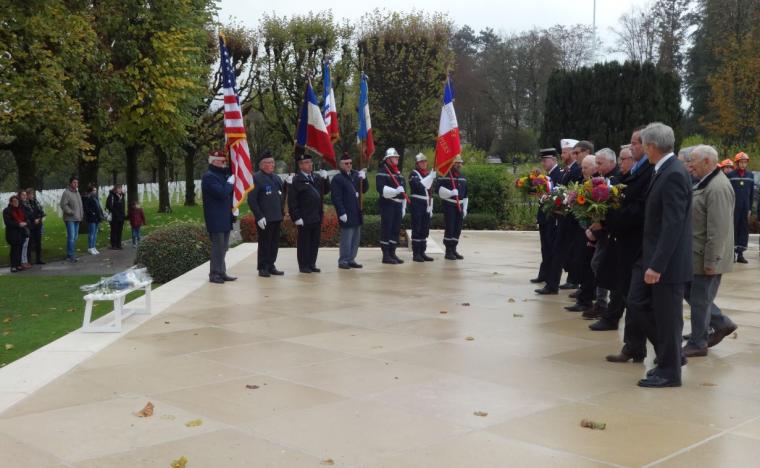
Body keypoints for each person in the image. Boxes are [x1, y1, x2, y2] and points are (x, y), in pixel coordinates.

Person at [628, 122, 692, 388]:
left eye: (643, 144)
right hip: (653, 258)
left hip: (666, 264)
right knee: (636, 302)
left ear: (651, 146)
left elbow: (673, 225)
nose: (641, 148)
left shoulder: (673, 173)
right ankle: (671, 357)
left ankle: (670, 371)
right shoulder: (664, 169)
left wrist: (657, 265)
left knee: (667, 317)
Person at [682, 144, 737, 357]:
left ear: (707, 161)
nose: (690, 165)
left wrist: (712, 260)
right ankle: (718, 324)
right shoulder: (707, 182)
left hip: (707, 257)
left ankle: (698, 342)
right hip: (697, 254)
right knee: (695, 296)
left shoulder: (718, 187)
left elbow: (719, 229)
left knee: (699, 299)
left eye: (693, 161)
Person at [536, 139, 585, 295]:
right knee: (559, 251)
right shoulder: (569, 170)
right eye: (563, 152)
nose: (564, 154)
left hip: (571, 216)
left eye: (567, 152)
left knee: (572, 253)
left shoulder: (576, 170)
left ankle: (575, 282)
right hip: (562, 216)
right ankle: (553, 284)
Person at [565, 154, 598, 313]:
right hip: (582, 228)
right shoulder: (586, 182)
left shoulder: (597, 183)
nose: (582, 170)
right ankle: (584, 297)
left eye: (585, 167)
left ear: (594, 167)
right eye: (582, 167)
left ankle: (586, 299)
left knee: (588, 265)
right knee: (582, 262)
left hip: (592, 230)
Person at [288, 152, 330, 273]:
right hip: (304, 216)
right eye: (306, 163)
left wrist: (326, 179)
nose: (310, 165)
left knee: (314, 242)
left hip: (316, 215)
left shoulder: (316, 177)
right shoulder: (297, 180)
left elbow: (326, 191)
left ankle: (312, 263)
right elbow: (292, 201)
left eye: (310, 162)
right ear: (300, 166)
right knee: (304, 243)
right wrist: (296, 217)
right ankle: (303, 265)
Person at [201, 150, 237, 284]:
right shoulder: (209, 176)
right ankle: (214, 273)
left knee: (224, 247)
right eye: (222, 161)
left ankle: (221, 272)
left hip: (225, 217)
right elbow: (221, 193)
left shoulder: (221, 175)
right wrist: (230, 183)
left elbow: (228, 195)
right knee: (218, 247)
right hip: (215, 218)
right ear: (214, 161)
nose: (224, 163)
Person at [248, 150, 285, 277]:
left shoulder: (276, 178)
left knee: (274, 243)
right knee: (264, 243)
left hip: (276, 216)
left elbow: (281, 195)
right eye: (270, 162)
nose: (273, 165)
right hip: (264, 218)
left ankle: (271, 265)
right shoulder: (256, 178)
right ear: (262, 164)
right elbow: (252, 200)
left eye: (273, 162)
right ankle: (263, 267)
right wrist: (259, 216)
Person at [331, 152, 369, 269]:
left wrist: (364, 179)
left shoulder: (356, 175)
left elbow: (364, 189)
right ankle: (343, 260)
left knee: (355, 237)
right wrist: (341, 212)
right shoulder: (338, 178)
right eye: (346, 163)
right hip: (346, 212)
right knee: (346, 238)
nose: (349, 165)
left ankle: (351, 259)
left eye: (350, 163)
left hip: (356, 210)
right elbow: (336, 198)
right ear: (340, 165)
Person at [532, 148, 563, 283]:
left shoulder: (558, 174)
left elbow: (556, 196)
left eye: (545, 160)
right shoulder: (547, 175)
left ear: (554, 160)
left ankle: (549, 276)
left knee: (550, 247)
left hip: (552, 217)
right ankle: (544, 274)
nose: (543, 163)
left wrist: (543, 196)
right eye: (542, 161)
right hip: (545, 217)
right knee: (545, 247)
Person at [376, 148, 407, 264]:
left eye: (397, 157)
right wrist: (395, 191)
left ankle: (392, 253)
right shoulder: (382, 171)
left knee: (395, 230)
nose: (397, 158)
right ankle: (386, 255)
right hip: (388, 204)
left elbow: (404, 191)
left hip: (398, 205)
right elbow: (381, 189)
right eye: (395, 157)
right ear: (388, 159)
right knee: (387, 229)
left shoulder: (398, 173)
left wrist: (403, 206)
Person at [438, 155, 468, 260]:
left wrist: (465, 208)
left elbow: (465, 194)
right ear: (452, 163)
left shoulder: (463, 177)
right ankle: (448, 251)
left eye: (460, 163)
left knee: (457, 229)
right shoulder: (445, 175)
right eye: (456, 162)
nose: (459, 164)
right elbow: (439, 191)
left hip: (460, 204)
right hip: (449, 205)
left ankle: (454, 249)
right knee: (450, 228)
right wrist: (450, 193)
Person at [409, 153, 437, 262]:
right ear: (417, 164)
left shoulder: (427, 174)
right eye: (421, 162)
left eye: (425, 161)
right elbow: (419, 186)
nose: (424, 163)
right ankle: (416, 253)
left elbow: (431, 191)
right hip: (417, 203)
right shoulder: (413, 174)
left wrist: (431, 206)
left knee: (425, 229)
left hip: (426, 203)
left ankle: (422, 252)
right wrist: (430, 177)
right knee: (417, 228)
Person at [727, 152, 754, 263]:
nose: (743, 164)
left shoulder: (750, 176)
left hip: (745, 207)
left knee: (743, 229)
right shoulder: (731, 175)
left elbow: (752, 193)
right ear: (737, 163)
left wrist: (750, 209)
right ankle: (731, 253)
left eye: (745, 162)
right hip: (734, 207)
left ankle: (740, 253)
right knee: (733, 228)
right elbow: (728, 193)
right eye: (741, 162)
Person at [59, 175, 83, 262]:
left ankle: (72, 253)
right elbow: (63, 204)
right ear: (70, 183)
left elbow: (80, 205)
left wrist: (81, 214)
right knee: (71, 237)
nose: (76, 184)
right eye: (74, 182)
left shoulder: (77, 192)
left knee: (75, 237)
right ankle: (70, 255)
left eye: (77, 182)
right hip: (70, 218)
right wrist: (70, 212)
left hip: (77, 218)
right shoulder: (66, 193)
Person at [4, 195, 29, 273]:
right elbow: (8, 222)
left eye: (17, 201)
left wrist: (26, 222)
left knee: (20, 249)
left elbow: (26, 218)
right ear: (11, 202)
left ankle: (18, 264)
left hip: (21, 232)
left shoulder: (21, 209)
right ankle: (13, 266)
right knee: (14, 250)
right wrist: (18, 224)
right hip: (12, 233)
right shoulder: (7, 210)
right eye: (14, 201)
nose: (16, 203)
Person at [82, 183, 105, 255]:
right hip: (91, 218)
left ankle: (94, 246)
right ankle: (90, 247)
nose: (95, 191)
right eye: (94, 190)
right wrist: (92, 213)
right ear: (90, 191)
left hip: (97, 218)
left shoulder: (96, 198)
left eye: (95, 190)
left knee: (95, 233)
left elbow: (98, 207)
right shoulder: (87, 198)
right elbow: (86, 208)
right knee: (91, 234)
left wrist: (101, 214)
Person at [25, 188, 45, 264]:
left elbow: (42, 212)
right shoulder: (25, 204)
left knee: (38, 242)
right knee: (30, 243)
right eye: (29, 194)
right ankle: (29, 260)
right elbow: (27, 215)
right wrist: (34, 220)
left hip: (38, 224)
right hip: (30, 225)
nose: (31, 196)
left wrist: (39, 219)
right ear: (27, 195)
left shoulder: (35, 202)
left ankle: (38, 259)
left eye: (32, 194)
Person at [105, 184, 126, 250]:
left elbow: (123, 206)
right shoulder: (111, 196)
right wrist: (116, 213)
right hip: (114, 216)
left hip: (121, 216)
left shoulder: (122, 196)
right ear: (115, 189)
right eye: (118, 188)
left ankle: (118, 244)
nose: (120, 190)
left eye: (121, 188)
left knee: (120, 231)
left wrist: (123, 215)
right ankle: (113, 245)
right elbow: (109, 206)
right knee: (114, 231)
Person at [18, 190, 34, 269]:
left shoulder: (26, 204)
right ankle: (22, 262)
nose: (24, 196)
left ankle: (25, 261)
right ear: (19, 196)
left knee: (26, 246)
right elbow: (25, 215)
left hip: (27, 226)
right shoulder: (20, 205)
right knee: (23, 245)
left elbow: (31, 214)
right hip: (24, 226)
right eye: (22, 195)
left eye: (25, 195)